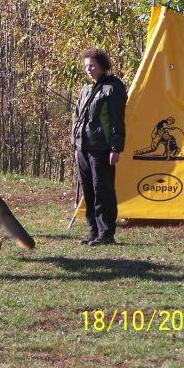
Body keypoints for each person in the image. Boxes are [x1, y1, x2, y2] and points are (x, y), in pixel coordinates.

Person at [72, 48, 127, 246]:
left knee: (102, 189)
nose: (89, 69)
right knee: (89, 191)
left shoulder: (113, 88)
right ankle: (94, 231)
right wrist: (75, 142)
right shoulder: (86, 90)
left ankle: (106, 234)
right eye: (86, 66)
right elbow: (77, 117)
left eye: (92, 66)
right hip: (83, 146)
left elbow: (116, 121)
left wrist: (116, 148)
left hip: (101, 148)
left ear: (103, 66)